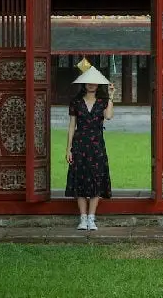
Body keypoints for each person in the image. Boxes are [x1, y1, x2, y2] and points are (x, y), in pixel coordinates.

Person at [65, 66, 115, 231]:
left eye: (95, 82)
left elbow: (108, 116)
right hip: (79, 145)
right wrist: (68, 149)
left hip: (97, 146)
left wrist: (112, 96)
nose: (92, 84)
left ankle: (92, 218)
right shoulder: (76, 102)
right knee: (80, 180)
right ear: (84, 84)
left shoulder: (103, 102)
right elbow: (72, 126)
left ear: (98, 84)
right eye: (89, 82)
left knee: (95, 179)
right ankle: (83, 218)